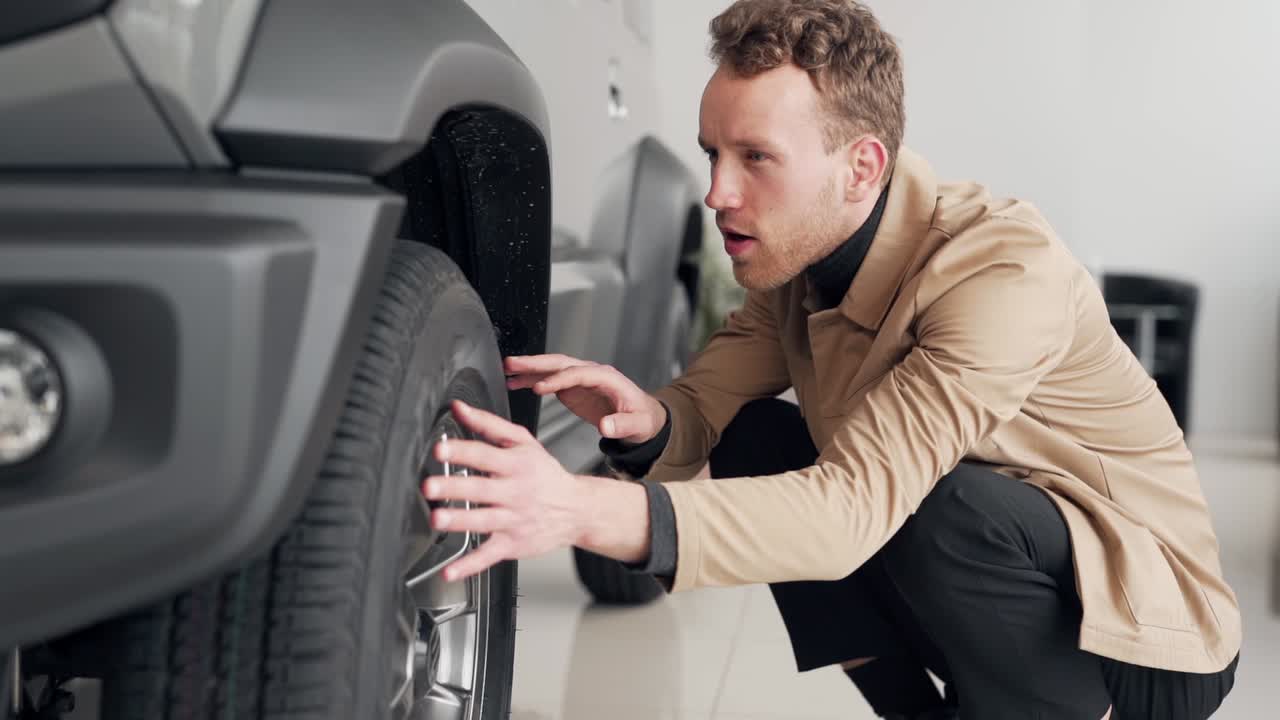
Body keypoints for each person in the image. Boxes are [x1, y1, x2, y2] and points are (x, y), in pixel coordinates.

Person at [419, 1, 1241, 717]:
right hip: (1001, 580)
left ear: (862, 168)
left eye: (755, 158)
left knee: (942, 505)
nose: (717, 193)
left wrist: (573, 508)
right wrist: (650, 420)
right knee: (757, 441)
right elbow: (719, 390)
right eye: (712, 154)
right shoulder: (804, 251)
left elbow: (851, 512)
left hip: (1146, 632)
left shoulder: (1001, 272)